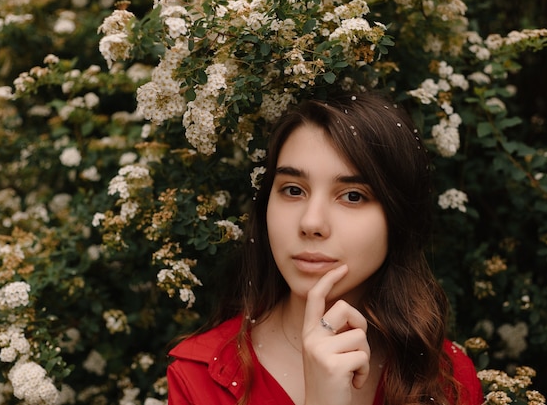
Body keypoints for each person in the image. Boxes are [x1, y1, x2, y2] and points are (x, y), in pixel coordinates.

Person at [166, 92, 484, 405]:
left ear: (397, 218)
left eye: (353, 196)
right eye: (293, 190)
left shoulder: (447, 380)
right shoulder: (201, 378)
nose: (311, 222)